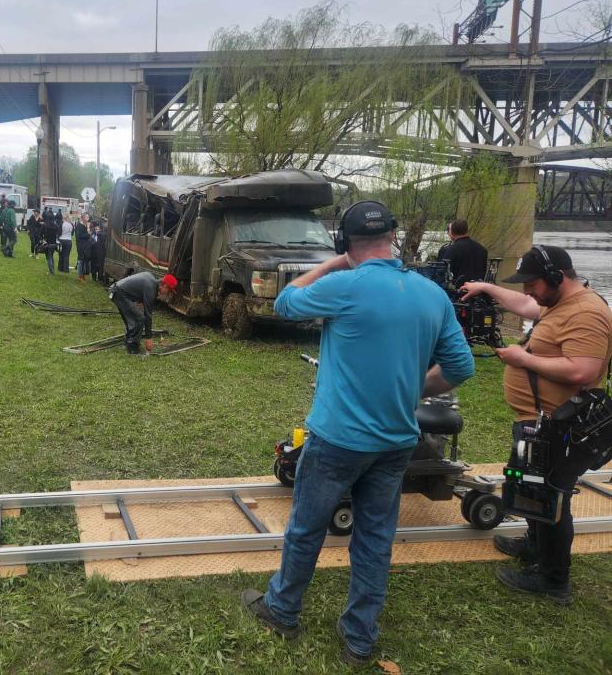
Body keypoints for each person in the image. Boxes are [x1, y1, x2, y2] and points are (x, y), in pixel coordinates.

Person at [241, 200, 474, 666]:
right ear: (393, 237)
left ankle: (282, 609)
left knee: (306, 528)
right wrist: (412, 390)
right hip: (395, 443)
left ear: (346, 242)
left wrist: (331, 264)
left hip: (336, 440)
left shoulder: (345, 284)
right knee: (374, 537)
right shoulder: (430, 294)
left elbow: (284, 301)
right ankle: (359, 638)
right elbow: (460, 368)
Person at [459, 245, 612, 605]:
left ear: (557, 277)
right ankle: (533, 545)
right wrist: (486, 287)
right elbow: (527, 306)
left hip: (562, 427)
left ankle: (553, 579)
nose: (528, 290)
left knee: (551, 497)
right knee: (529, 485)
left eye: (533, 282)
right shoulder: (559, 303)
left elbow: (583, 369)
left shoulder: (587, 313)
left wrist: (523, 357)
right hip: (538, 422)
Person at [109, 271, 177, 355]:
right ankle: (132, 348)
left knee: (132, 319)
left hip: (117, 290)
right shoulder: (150, 288)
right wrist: (149, 338)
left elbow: (138, 289)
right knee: (139, 319)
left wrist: (139, 300)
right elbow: (148, 315)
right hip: (119, 293)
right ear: (164, 286)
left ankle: (128, 342)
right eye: (169, 291)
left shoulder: (151, 281)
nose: (167, 293)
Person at [437, 219, 488, 286]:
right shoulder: (482, 250)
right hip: (478, 290)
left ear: (452, 232)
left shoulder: (450, 250)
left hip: (457, 292)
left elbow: (441, 273)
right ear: (466, 230)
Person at [75, 213, 91, 282]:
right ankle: (80, 276)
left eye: (88, 217)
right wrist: (88, 233)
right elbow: (79, 236)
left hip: (86, 245)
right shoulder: (79, 226)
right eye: (87, 217)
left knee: (84, 260)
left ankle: (82, 275)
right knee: (81, 260)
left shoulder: (85, 225)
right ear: (83, 218)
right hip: (81, 245)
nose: (88, 219)